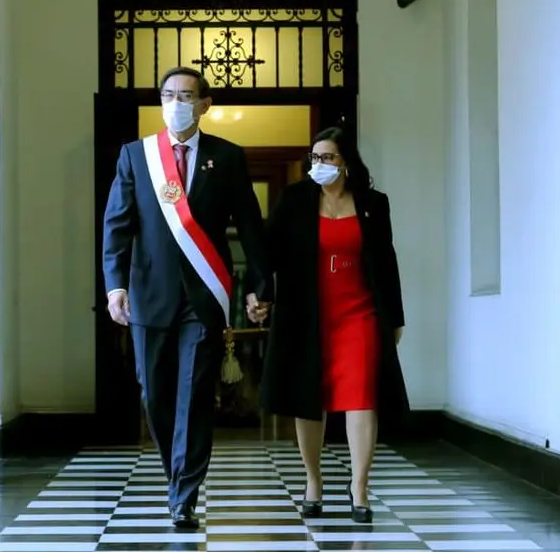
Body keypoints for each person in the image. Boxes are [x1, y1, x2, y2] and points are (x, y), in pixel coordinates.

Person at [102, 66, 272, 530]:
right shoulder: (136, 156)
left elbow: (251, 226)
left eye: (186, 95)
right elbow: (117, 225)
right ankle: (177, 474)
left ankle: (184, 495)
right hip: (148, 295)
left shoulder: (227, 156)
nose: (177, 103)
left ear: (204, 104)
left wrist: (260, 286)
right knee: (154, 393)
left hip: (204, 297)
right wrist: (115, 286)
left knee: (195, 395)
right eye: (169, 94)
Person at [252, 126, 409, 523]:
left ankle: (360, 486)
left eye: (327, 157)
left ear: (346, 162)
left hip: (360, 313)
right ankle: (313, 480)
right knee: (310, 397)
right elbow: (268, 251)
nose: (319, 164)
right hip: (308, 313)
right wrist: (259, 293)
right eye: (314, 158)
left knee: (362, 395)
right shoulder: (295, 200)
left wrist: (395, 317)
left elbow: (386, 262)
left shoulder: (373, 203)